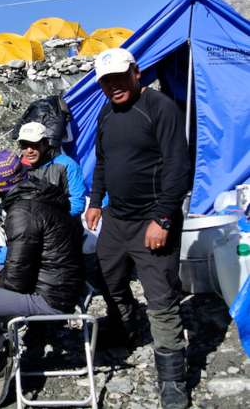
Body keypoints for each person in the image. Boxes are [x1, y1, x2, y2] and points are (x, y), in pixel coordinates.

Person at [84, 48, 191, 409]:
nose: (113, 86)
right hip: (116, 217)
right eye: (106, 81)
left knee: (160, 296)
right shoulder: (106, 111)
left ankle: (172, 377)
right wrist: (97, 201)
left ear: (137, 72)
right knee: (108, 277)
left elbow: (178, 167)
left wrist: (163, 219)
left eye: (119, 77)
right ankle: (125, 329)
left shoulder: (161, 108)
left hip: (153, 217)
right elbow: (103, 160)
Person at [0, 150, 85, 409]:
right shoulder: (39, 194)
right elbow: (24, 261)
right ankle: (0, 340)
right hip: (61, 283)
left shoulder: (22, 210)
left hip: (51, 297)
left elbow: (17, 277)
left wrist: (0, 282)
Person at [16, 121, 86, 217]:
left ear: (46, 142)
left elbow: (77, 203)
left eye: (34, 144)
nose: (29, 151)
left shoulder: (66, 164)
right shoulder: (17, 167)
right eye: (24, 145)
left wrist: (47, 220)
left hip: (60, 225)